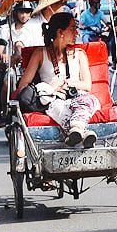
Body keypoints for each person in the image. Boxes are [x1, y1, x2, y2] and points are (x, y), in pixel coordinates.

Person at [16, 12, 102, 147]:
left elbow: (87, 85)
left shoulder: (79, 54)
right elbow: (23, 85)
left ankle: (77, 129)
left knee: (87, 100)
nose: (77, 34)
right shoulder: (40, 54)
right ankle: (81, 132)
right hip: (54, 100)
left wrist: (66, 83)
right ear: (60, 32)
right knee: (57, 108)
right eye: (73, 29)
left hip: (79, 97)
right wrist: (51, 87)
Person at [0, 1, 35, 125]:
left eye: (27, 12)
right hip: (11, 67)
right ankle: (3, 112)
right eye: (21, 12)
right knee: (6, 83)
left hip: (31, 66)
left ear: (30, 14)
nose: (24, 15)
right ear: (16, 13)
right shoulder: (5, 30)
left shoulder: (34, 30)